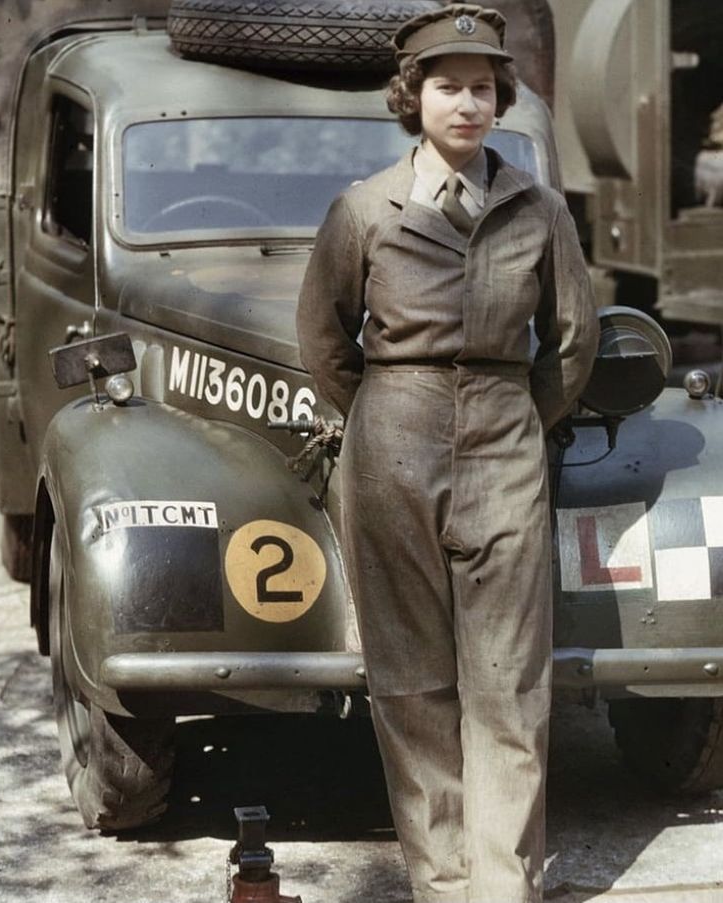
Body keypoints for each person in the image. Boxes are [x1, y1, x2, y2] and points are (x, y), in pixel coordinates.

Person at [296, 5, 599, 901]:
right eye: (445, 86)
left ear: (500, 99)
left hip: (505, 439)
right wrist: (388, 415)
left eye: (480, 87)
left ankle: (503, 884)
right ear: (412, 97)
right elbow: (324, 341)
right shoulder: (362, 210)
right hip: (392, 440)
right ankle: (442, 877)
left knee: (509, 677)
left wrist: (518, 418)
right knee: (411, 677)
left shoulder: (539, 209)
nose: (465, 103)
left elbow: (572, 341)